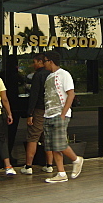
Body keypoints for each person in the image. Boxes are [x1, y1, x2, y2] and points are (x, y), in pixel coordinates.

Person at [42, 51, 83, 183]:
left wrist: (63, 113)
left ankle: (76, 160)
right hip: (48, 114)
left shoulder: (64, 75)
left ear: (51, 61)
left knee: (60, 144)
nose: (44, 64)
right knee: (53, 146)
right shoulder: (49, 77)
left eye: (45, 61)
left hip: (59, 113)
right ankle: (61, 173)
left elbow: (71, 94)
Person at [21, 53, 54, 175]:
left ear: (40, 62)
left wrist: (30, 113)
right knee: (48, 137)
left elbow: (34, 95)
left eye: (35, 62)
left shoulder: (38, 75)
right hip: (50, 109)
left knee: (33, 137)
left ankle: (28, 166)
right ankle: (49, 164)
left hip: (39, 109)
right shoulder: (52, 74)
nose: (33, 64)